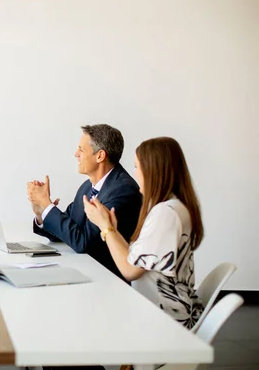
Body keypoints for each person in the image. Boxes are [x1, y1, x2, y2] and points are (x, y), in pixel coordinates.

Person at [83, 136, 204, 329]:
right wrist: (111, 229)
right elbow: (135, 259)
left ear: (153, 170)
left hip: (162, 320)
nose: (134, 173)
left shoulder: (165, 214)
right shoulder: (174, 207)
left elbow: (130, 271)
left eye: (137, 167)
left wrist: (105, 227)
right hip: (167, 310)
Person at [27, 124, 142, 281]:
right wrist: (42, 212)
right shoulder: (87, 186)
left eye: (81, 150)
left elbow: (83, 243)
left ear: (100, 156)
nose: (76, 154)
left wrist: (48, 206)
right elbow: (65, 232)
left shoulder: (122, 190)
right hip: (85, 272)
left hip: (108, 281)